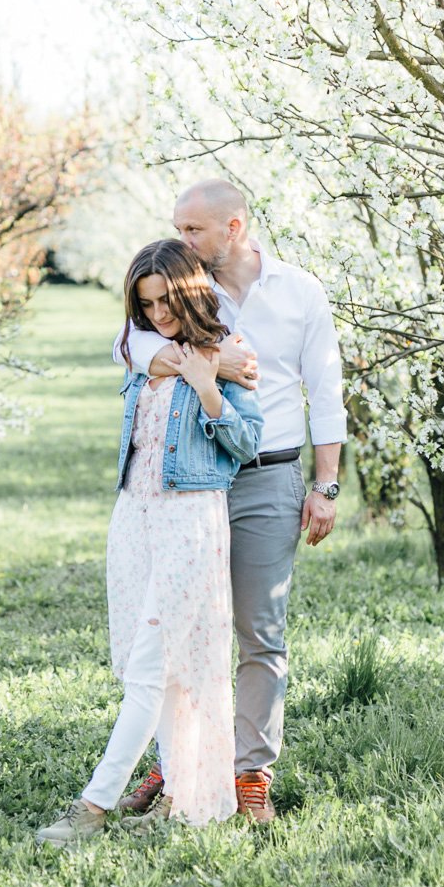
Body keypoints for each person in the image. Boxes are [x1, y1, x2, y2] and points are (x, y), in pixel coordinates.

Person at [114, 180, 346, 824]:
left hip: (269, 477)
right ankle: (177, 762)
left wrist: (325, 487)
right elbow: (129, 346)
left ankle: (250, 772)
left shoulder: (300, 292)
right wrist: (212, 363)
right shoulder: (185, 288)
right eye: (179, 228)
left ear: (233, 227)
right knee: (179, 624)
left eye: (194, 230)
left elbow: (326, 392)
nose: (182, 241)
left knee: (259, 632)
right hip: (193, 478)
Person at [36, 239, 263, 846]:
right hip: (133, 517)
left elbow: (245, 443)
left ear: (189, 292)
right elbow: (129, 347)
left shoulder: (232, 355)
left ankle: (94, 805)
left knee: (151, 667)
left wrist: (210, 385)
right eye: (146, 304)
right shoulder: (144, 349)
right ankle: (178, 793)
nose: (158, 314)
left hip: (190, 520)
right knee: (156, 667)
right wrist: (195, 363)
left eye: (167, 301)